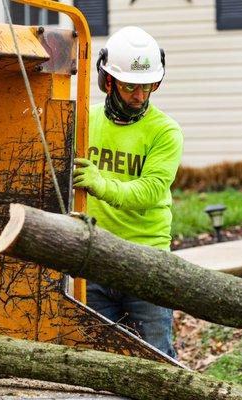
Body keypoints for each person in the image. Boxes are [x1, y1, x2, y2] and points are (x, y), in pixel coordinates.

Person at [72, 26, 183, 359]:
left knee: (156, 356)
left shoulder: (165, 131)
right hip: (93, 256)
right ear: (108, 82)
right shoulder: (83, 121)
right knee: (97, 356)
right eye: (130, 86)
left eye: (147, 87)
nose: (139, 96)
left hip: (145, 259)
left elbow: (149, 191)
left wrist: (99, 183)